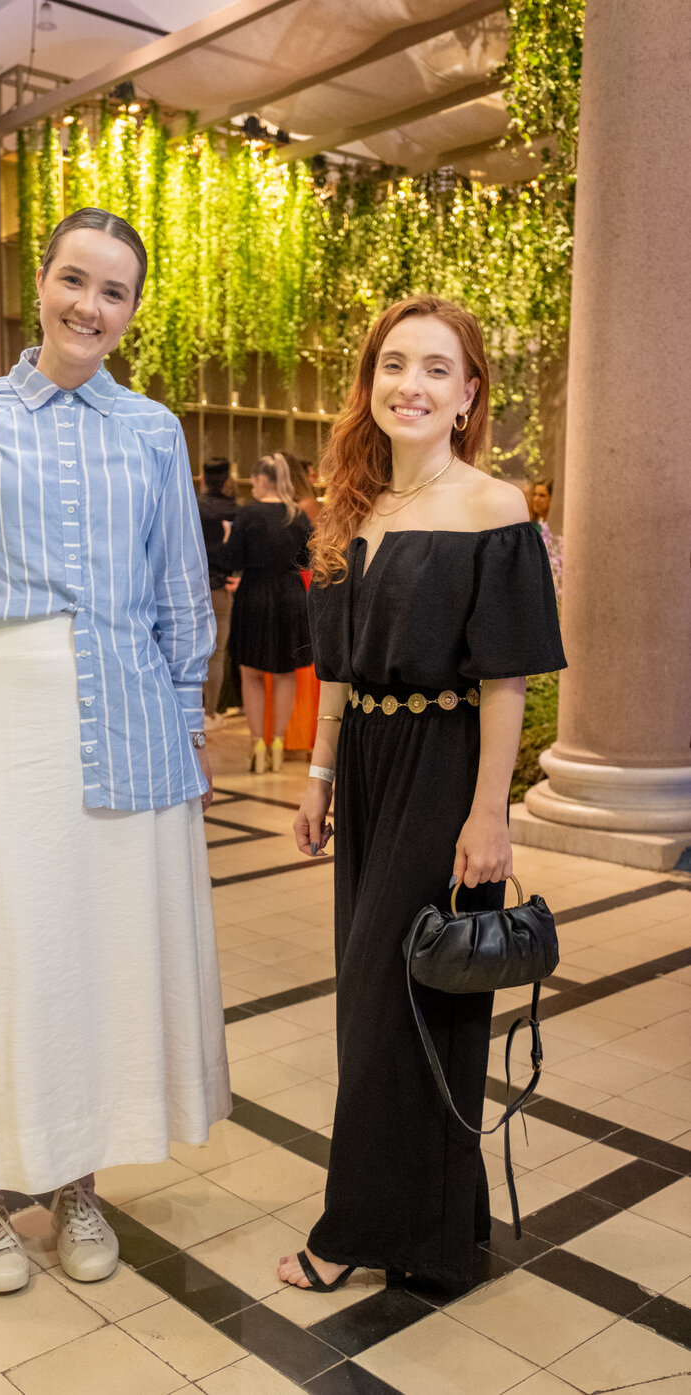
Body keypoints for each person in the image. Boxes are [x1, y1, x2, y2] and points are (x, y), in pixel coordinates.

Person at [0, 207, 230, 1296]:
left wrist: (187, 720)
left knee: (101, 960)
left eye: (115, 292)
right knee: (8, 950)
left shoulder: (153, 431)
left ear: (133, 311)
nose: (91, 306)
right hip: (6, 711)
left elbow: (182, 591)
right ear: (39, 284)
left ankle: (79, 1180)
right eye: (74, 281)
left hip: (130, 716)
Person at [279, 295, 565, 1293]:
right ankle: (436, 1235)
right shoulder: (354, 511)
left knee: (395, 998)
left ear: (468, 394)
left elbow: (506, 681)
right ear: (370, 386)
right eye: (394, 364)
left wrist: (492, 814)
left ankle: (357, 1226)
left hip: (445, 774)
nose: (411, 383)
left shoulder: (493, 508)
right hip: (365, 771)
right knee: (385, 1006)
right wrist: (318, 776)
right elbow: (343, 674)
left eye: (437, 368)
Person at [213, 454, 312, 773]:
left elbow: (229, 560)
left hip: (254, 594)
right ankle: (279, 743)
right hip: (290, 595)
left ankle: (258, 743)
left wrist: (229, 537)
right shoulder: (297, 515)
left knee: (251, 674)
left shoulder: (248, 514)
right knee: (285, 674)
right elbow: (308, 560)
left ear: (262, 480)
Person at [196, 457, 238, 730]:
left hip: (192, 586)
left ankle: (192, 708)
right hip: (221, 587)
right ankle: (211, 713)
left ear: (202, 477)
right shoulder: (236, 510)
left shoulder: (193, 505)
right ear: (227, 479)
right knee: (217, 653)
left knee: (191, 649)